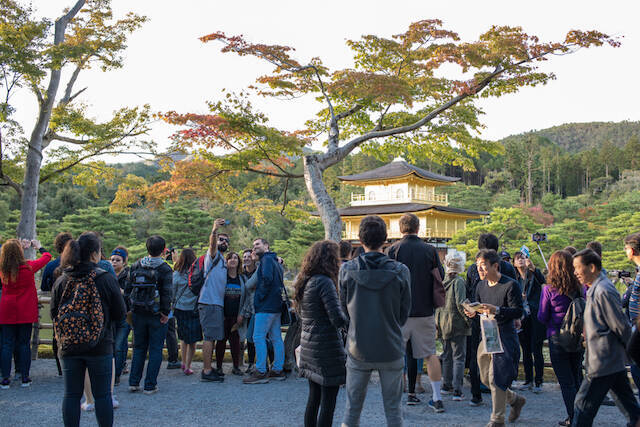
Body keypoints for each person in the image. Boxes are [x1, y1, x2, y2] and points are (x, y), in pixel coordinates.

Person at [340, 215, 411, 427]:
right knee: (393, 411)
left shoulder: (347, 270)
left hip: (357, 347)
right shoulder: (400, 271)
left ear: (360, 240)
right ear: (385, 240)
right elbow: (404, 312)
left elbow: (344, 310)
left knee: (352, 409)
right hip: (390, 345)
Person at [50, 232, 126, 427]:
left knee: (71, 395)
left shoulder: (62, 280)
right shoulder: (105, 278)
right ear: (94, 254)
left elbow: (53, 313)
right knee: (102, 396)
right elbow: (120, 313)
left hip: (69, 345)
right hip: (99, 345)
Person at [571, 249, 640, 427]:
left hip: (602, 360)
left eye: (578, 267)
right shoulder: (597, 287)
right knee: (630, 407)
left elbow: (620, 325)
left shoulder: (603, 290)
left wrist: (633, 351)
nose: (575, 272)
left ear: (592, 267)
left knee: (582, 407)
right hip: (610, 360)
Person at [386, 213, 445, 412]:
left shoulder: (392, 249)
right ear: (418, 228)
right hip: (424, 310)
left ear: (400, 229)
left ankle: (396, 398)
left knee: (395, 357)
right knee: (430, 355)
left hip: (399, 313)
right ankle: (437, 398)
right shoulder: (429, 250)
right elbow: (440, 275)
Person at [464, 249, 526, 427]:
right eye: (478, 267)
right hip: (487, 333)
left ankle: (497, 419)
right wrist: (472, 312)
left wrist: (497, 310)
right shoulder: (480, 286)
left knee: (495, 377)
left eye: (483, 266)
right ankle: (514, 399)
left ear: (495, 266)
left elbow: (518, 311)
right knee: (484, 377)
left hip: (504, 335)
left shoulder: (510, 285)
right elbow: (479, 308)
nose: (480, 270)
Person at [295, 240, 348, 427]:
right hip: (326, 348)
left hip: (310, 346)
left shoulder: (307, 280)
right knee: (328, 402)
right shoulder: (324, 282)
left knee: (314, 398)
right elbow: (336, 317)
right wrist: (350, 320)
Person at [465, 233, 517, 407]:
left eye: (484, 266)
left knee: (492, 368)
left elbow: (514, 304)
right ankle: (510, 395)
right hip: (485, 321)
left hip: (493, 323)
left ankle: (479, 397)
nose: (481, 269)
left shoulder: (473, 269)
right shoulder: (506, 267)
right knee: (487, 367)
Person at [538, 250, 585, 426]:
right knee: (576, 378)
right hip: (577, 337)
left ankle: (574, 418)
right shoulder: (580, 287)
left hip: (557, 337)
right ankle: (581, 416)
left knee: (566, 383)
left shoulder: (549, 289)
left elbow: (542, 316)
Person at [0, 239, 51, 388]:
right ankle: (25, 377)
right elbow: (47, 257)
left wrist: (14, 247)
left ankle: (5, 378)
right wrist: (39, 247)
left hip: (7, 309)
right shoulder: (29, 266)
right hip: (25, 309)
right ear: (20, 252)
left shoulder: (3, 269)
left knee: (6, 344)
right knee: (24, 343)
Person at [125, 235, 173, 394]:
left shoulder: (136, 265)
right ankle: (150, 385)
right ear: (164, 249)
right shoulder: (164, 268)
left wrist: (130, 309)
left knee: (138, 348)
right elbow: (167, 293)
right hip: (156, 314)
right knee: (155, 349)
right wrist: (165, 312)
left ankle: (133, 382)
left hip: (138, 312)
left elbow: (127, 290)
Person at [243, 238, 286, 384]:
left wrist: (260, 297)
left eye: (257, 245)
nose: (254, 248)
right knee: (276, 337)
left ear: (266, 246)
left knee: (258, 337)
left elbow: (266, 279)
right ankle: (277, 369)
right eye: (253, 245)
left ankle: (261, 371)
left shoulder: (266, 261)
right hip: (276, 305)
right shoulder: (276, 261)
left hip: (265, 306)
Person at [195, 219, 228, 383]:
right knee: (209, 337)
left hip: (216, 304)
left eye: (226, 241)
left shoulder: (223, 260)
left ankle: (209, 367)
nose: (224, 242)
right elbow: (212, 244)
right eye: (221, 239)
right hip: (209, 302)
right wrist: (214, 230)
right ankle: (206, 371)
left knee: (213, 336)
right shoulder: (212, 255)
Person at [435, 251, 471, 402]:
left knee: (447, 355)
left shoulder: (441, 281)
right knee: (459, 357)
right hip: (456, 324)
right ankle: (457, 390)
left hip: (442, 322)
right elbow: (461, 303)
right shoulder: (459, 282)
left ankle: (446, 385)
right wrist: (469, 321)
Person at [512, 251, 546, 393]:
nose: (521, 260)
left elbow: (544, 281)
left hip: (535, 315)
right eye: (517, 258)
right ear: (514, 262)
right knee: (525, 349)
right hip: (521, 317)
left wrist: (533, 268)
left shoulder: (534, 276)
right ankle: (528, 379)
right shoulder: (514, 278)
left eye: (523, 258)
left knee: (536, 348)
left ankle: (539, 381)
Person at [172, 248, 201, 375]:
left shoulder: (176, 275)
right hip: (194, 309)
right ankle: (188, 365)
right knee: (193, 340)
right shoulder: (197, 274)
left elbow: (172, 293)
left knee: (183, 337)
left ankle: (183, 363)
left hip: (180, 308)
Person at [215, 251, 245, 376]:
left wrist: (242, 314)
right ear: (226, 261)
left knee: (235, 342)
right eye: (230, 258)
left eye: (235, 258)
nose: (233, 260)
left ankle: (236, 366)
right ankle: (219, 367)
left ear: (239, 262)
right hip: (223, 315)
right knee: (221, 341)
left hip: (236, 316)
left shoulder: (242, 279)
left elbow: (246, 298)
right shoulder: (222, 277)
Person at [110, 246, 131, 386]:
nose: (114, 262)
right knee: (114, 345)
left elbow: (130, 294)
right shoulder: (107, 273)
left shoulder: (129, 274)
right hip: (111, 314)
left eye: (118, 260)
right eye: (112, 260)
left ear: (124, 261)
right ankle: (116, 370)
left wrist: (118, 291)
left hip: (125, 313)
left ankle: (116, 375)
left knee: (119, 345)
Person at [239, 249, 257, 373]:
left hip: (257, 309)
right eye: (244, 257)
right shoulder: (241, 274)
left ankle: (261, 363)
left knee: (256, 337)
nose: (246, 259)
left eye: (249, 256)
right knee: (243, 337)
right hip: (244, 309)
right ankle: (246, 363)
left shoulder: (259, 271)